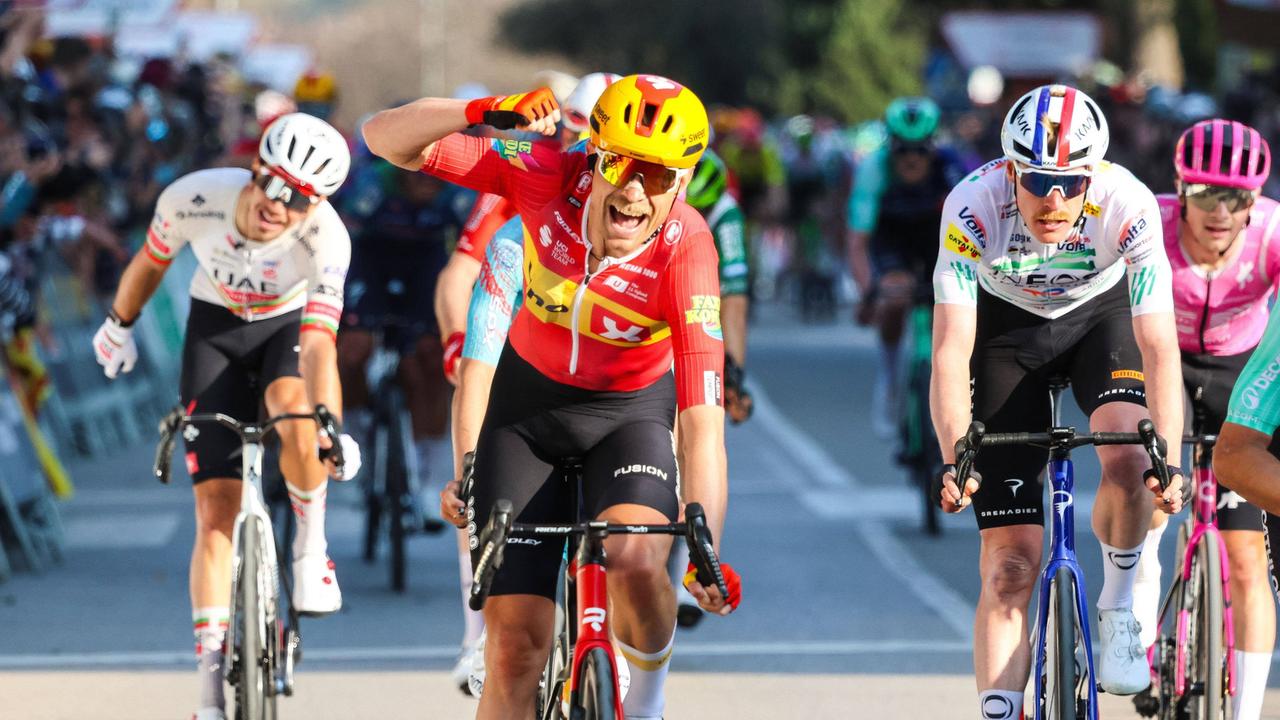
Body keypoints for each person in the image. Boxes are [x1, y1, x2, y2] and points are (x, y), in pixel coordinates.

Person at [364, 73, 741, 720]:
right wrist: (482, 111)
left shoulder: (689, 249)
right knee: (512, 651)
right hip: (527, 416)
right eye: (618, 163)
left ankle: (647, 701)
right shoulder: (543, 172)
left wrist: (705, 544)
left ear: (681, 182)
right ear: (591, 153)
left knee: (632, 558)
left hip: (628, 418)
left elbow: (702, 421)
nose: (631, 190)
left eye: (656, 176)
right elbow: (384, 138)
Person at [91, 113, 361, 720]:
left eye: (298, 198)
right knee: (214, 513)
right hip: (214, 329)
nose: (278, 203)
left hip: (286, 330)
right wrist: (118, 323)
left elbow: (320, 347)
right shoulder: (194, 198)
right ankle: (210, 695)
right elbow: (150, 263)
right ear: (255, 169)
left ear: (315, 205)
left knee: (292, 408)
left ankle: (311, 550)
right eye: (271, 182)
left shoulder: (328, 240)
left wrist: (330, 426)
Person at [931, 85, 1186, 716]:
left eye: (1071, 184)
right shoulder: (972, 207)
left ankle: (1122, 601)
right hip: (1005, 331)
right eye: (1039, 179)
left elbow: (1158, 346)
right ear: (1011, 170)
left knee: (1130, 458)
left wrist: (1170, 459)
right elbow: (950, 348)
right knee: (1010, 566)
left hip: (1099, 320)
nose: (1054, 199)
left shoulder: (1129, 205)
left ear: (1092, 175)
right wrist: (954, 456)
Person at [1156, 119, 1280, 720]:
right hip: (1163, 360)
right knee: (1154, 486)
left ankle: (1246, 712)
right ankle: (1133, 602)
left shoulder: (1273, 232)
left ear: (1254, 200)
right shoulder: (1149, 223)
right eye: (1206, 195)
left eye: (1236, 199)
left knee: (1246, 556)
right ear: (1182, 192)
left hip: (1241, 367)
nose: (1221, 212)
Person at [335, 156, 472, 517]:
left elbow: (470, 249)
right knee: (352, 351)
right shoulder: (373, 185)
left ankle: (427, 477)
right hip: (369, 259)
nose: (430, 185)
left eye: (436, 180)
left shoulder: (455, 193)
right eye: (421, 178)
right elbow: (340, 234)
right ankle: (360, 437)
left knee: (430, 358)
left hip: (425, 263)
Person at [846, 96, 969, 437]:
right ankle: (889, 379)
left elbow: (978, 233)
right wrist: (868, 292)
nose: (912, 158)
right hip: (892, 238)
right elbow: (857, 242)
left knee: (952, 310)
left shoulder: (952, 168)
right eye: (902, 150)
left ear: (933, 146)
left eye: (920, 149)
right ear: (891, 147)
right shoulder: (873, 169)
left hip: (937, 239)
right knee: (894, 297)